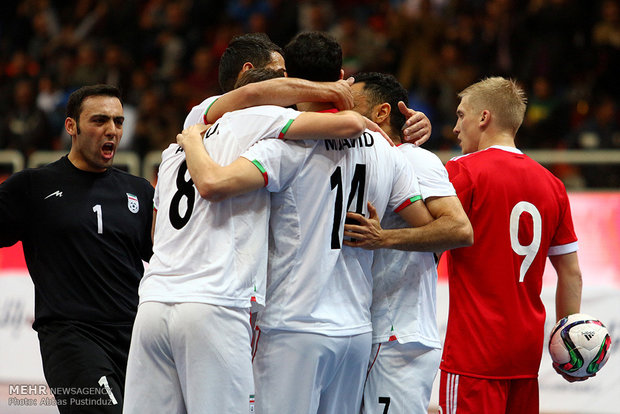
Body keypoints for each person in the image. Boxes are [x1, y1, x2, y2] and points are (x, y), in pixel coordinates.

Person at [177, 31, 434, 414]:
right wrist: (383, 235)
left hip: (292, 325)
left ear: (290, 82)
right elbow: (429, 229)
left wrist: (192, 143)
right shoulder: (385, 146)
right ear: (341, 74)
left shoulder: (282, 144)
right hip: (355, 331)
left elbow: (216, 184)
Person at [123, 66, 380, 413]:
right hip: (215, 300)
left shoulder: (179, 142)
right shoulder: (258, 120)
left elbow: (156, 236)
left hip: (154, 304)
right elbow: (347, 126)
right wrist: (343, 100)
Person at [0, 84, 154, 413]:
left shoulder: (139, 191)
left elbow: (166, 257)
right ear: (71, 126)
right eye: (99, 120)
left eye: (118, 121)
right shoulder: (33, 186)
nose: (112, 130)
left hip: (135, 339)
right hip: (70, 340)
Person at [439, 77, 586, 413]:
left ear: (483, 118)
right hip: (524, 354)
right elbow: (571, 273)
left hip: (473, 353)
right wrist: (570, 347)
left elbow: (427, 240)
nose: (455, 128)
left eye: (461, 115)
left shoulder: (463, 171)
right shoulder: (552, 184)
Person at [342, 72, 473, 414]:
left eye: (352, 102)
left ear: (382, 113)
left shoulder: (414, 158)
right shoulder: (361, 156)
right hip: (375, 331)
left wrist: (384, 238)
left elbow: (459, 230)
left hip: (397, 334)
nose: (342, 108)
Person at [184, 32, 432, 145]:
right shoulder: (203, 111)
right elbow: (252, 93)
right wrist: (330, 90)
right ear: (248, 70)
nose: (287, 84)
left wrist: (404, 129)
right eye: (281, 76)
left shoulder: (284, 118)